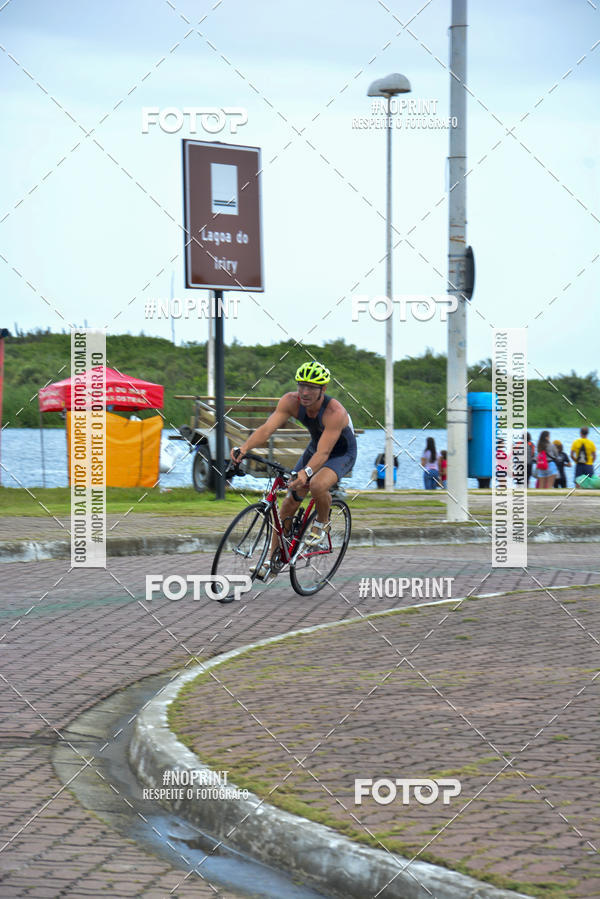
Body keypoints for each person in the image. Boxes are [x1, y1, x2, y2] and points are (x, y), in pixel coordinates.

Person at [231, 361, 357, 580]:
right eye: (301, 386)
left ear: (323, 390)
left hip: (340, 453)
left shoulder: (334, 411)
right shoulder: (290, 401)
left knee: (316, 484)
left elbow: (324, 454)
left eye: (311, 387)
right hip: (316, 447)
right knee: (289, 501)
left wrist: (306, 473)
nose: (304, 392)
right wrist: (244, 448)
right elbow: (267, 429)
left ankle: (321, 523)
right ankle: (273, 560)